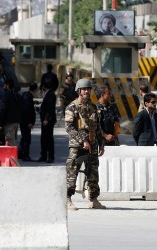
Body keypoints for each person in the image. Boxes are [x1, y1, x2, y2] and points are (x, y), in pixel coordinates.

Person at [65, 79, 106, 210]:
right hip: (77, 145)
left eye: (88, 89)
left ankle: (93, 199)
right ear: (79, 90)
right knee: (72, 171)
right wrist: (83, 140)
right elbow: (69, 127)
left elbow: (97, 127)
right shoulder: (72, 107)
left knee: (93, 173)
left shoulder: (93, 107)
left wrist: (101, 143)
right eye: (84, 89)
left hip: (92, 144)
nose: (87, 91)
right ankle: (67, 199)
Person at [37, 82, 57, 163]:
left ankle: (50, 156)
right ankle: (44, 155)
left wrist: (46, 119)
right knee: (44, 138)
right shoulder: (48, 94)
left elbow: (50, 109)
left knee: (48, 138)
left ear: (44, 87)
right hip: (46, 120)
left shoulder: (50, 94)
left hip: (48, 121)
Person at [0, 81, 21, 146]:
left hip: (9, 123)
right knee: (12, 140)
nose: (3, 87)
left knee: (10, 142)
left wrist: (0, 123)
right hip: (16, 122)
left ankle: (13, 156)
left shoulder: (7, 95)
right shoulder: (16, 94)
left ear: (7, 85)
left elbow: (3, 109)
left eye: (4, 85)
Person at [19, 82, 37, 161]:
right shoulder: (28, 96)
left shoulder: (25, 95)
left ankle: (20, 153)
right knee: (26, 139)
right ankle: (25, 155)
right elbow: (27, 110)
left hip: (23, 120)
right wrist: (29, 122)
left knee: (24, 138)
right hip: (26, 121)